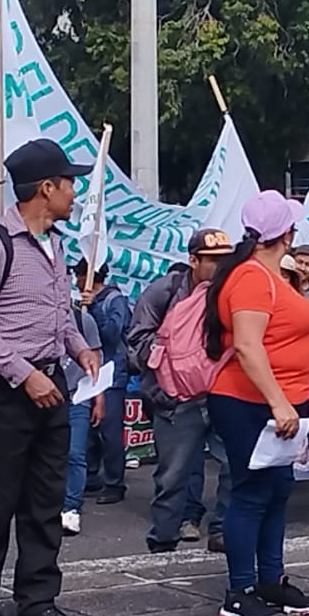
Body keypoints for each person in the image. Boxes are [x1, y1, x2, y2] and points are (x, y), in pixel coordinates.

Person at [0, 138, 101, 616]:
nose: (74, 192)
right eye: (68, 183)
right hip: (4, 389)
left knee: (45, 499)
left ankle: (38, 599)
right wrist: (24, 373)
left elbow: (59, 314)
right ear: (46, 187)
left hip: (52, 379)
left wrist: (79, 346)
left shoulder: (55, 244)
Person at [204, 190, 309, 616]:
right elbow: (246, 344)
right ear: (285, 232)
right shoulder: (253, 277)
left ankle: (270, 580)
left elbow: (271, 335)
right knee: (253, 492)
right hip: (251, 402)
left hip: (276, 399)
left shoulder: (262, 275)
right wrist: (278, 402)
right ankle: (240, 591)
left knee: (275, 491)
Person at [127, 227, 233, 554]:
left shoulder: (231, 292)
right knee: (172, 477)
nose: (219, 266)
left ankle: (222, 530)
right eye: (212, 260)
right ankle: (163, 540)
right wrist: (166, 378)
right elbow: (135, 342)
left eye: (223, 260)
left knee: (234, 464)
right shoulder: (164, 291)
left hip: (220, 394)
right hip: (175, 401)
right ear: (193, 260)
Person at [76, 259, 131, 506]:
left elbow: (111, 333)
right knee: (88, 429)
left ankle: (114, 483)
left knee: (109, 431)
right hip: (86, 372)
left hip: (110, 372)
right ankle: (90, 476)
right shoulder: (81, 304)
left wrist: (94, 310)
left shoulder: (113, 301)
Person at [59, 298, 103, 537]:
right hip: (45, 394)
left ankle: (71, 507)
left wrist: (99, 398)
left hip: (78, 395)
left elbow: (96, 357)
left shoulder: (82, 320)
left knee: (75, 453)